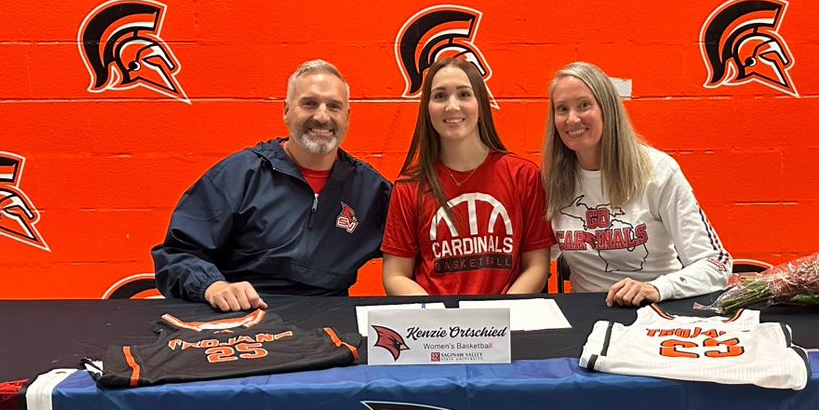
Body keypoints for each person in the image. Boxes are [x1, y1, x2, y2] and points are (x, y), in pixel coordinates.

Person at [152, 60, 391, 311]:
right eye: (309, 103)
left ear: (347, 117)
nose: (322, 116)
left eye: (334, 106)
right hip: (243, 316)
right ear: (286, 110)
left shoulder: (372, 191)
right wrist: (213, 286)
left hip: (330, 324)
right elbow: (177, 254)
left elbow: (416, 253)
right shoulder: (238, 176)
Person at [542, 61, 732, 306]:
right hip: (588, 316)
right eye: (562, 109)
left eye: (584, 105)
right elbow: (536, 260)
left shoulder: (658, 170)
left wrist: (656, 288)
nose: (572, 119)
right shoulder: (552, 181)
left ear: (607, 109)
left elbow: (716, 264)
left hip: (659, 310)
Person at [381, 56, 555, 296]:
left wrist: (498, 316)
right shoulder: (409, 187)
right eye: (440, 96)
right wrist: (442, 317)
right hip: (438, 326)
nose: (452, 106)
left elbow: (536, 266)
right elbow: (395, 275)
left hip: (506, 322)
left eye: (464, 94)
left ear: (481, 106)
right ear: (427, 110)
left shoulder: (523, 176)